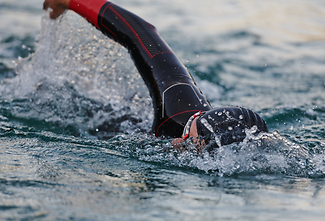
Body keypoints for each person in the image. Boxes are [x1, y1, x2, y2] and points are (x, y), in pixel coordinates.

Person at [43, 0, 268, 152]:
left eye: (189, 142)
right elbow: (142, 34)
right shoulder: (180, 107)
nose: (180, 143)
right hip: (121, 121)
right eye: (188, 136)